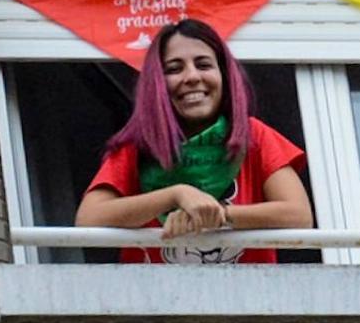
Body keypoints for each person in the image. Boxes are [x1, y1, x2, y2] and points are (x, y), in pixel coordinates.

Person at [75, 19, 313, 264]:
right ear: (157, 83)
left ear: (224, 75)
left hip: (248, 300)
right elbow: (89, 218)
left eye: (203, 64)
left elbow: (298, 215)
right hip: (155, 299)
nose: (191, 77)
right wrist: (176, 195)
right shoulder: (138, 146)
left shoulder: (254, 136)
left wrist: (217, 214)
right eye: (174, 69)